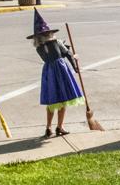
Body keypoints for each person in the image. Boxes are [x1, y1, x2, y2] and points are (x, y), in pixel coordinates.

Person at [28, 9, 83, 137]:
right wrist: (75, 65)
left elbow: (53, 54)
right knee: (63, 99)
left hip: (48, 72)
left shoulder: (39, 47)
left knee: (52, 101)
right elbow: (67, 54)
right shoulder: (56, 42)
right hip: (61, 70)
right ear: (49, 33)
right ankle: (60, 126)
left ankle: (48, 127)